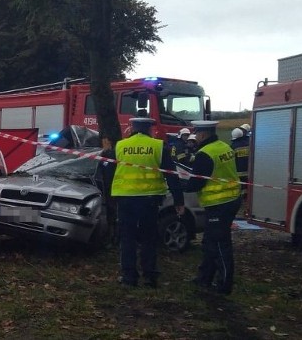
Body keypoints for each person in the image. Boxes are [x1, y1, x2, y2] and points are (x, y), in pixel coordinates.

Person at [110, 118, 185, 288]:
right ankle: (150, 277)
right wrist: (178, 201)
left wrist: (111, 198)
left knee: (127, 239)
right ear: (150, 129)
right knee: (148, 239)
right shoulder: (158, 146)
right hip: (149, 200)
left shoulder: (120, 146)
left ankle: (129, 277)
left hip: (125, 199)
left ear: (132, 129)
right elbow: (171, 175)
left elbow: (112, 172)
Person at [185, 120, 241, 295]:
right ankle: (205, 278)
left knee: (219, 243)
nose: (196, 137)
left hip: (219, 203)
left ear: (202, 134)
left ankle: (224, 284)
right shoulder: (223, 146)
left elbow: (196, 183)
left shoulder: (205, 153)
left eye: (197, 134)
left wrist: (180, 185)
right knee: (210, 241)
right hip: (232, 199)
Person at [93, 133, 118, 247]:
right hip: (105, 189)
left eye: (105, 141)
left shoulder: (113, 156)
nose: (103, 144)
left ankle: (114, 238)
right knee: (109, 214)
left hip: (114, 189)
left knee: (113, 214)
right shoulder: (102, 154)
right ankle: (110, 237)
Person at [231, 127, 250, 203]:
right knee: (249, 186)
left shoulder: (233, 147)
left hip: (238, 172)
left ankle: (242, 200)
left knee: (241, 188)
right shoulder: (249, 144)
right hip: (250, 171)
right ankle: (247, 199)